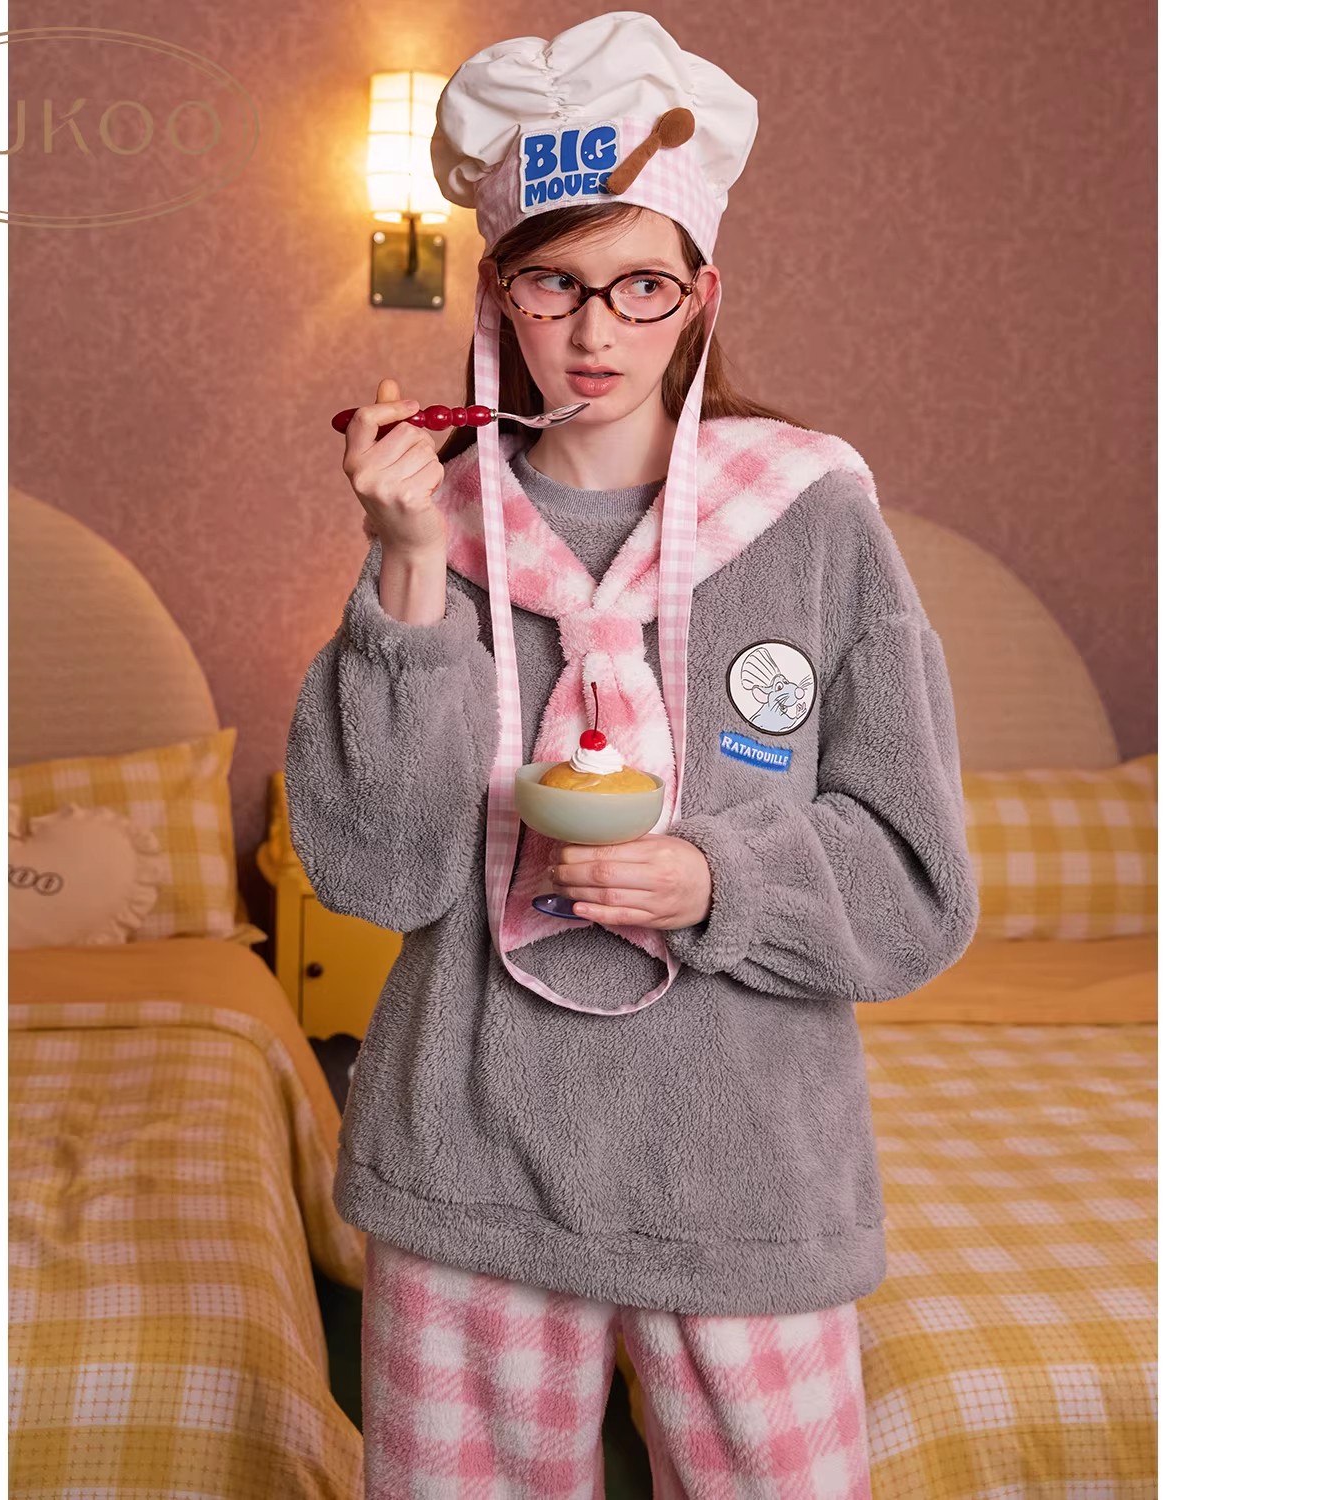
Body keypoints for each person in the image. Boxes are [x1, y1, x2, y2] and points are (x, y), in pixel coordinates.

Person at [287, 13, 980, 1496]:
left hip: (747, 1169)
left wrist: (717, 879)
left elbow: (918, 879)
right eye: (554, 282)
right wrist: (405, 570)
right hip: (467, 1153)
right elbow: (378, 873)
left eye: (640, 286)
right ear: (499, 291)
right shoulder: (439, 524)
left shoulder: (812, 517)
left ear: (698, 296)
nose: (596, 335)